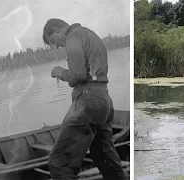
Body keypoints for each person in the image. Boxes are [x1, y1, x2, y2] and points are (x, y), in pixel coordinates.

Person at [43, 18, 126, 180]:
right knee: (105, 157)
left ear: (56, 30)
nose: (59, 46)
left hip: (87, 103)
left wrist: (60, 72)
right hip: (104, 101)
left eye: (54, 42)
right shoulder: (89, 34)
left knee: (59, 162)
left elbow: (78, 75)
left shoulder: (73, 38)